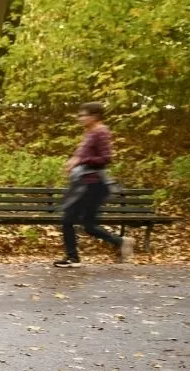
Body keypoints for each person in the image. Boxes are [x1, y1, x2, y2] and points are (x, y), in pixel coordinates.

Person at [56, 101, 133, 268]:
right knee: (88, 225)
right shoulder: (91, 133)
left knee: (68, 219)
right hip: (85, 184)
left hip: (93, 185)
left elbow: (106, 158)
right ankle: (121, 242)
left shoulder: (101, 132)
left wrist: (81, 160)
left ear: (95, 116)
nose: (80, 118)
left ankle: (72, 258)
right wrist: (74, 162)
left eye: (83, 115)